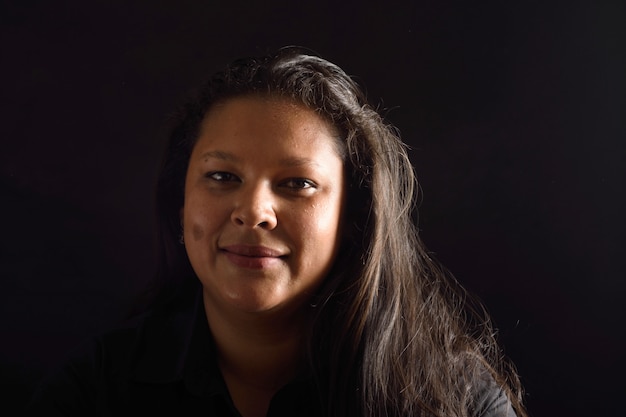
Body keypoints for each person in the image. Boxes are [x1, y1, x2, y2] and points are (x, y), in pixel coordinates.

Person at [26, 47, 527, 417]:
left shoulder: (454, 400)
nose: (253, 212)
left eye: (297, 184)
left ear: (353, 220)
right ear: (181, 206)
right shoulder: (96, 390)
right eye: (222, 177)